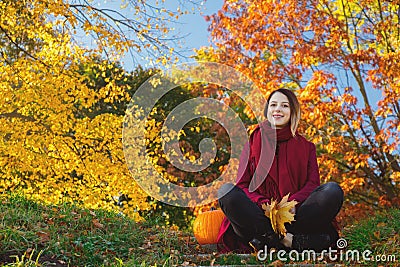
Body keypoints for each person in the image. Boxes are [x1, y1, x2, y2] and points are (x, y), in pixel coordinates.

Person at [217, 88, 344, 253]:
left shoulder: (307, 147)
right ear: (267, 110)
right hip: (259, 217)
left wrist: (293, 204)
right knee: (226, 192)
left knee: (332, 190)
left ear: (292, 112)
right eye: (273, 105)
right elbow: (242, 184)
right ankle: (282, 239)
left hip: (295, 217)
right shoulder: (252, 142)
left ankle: (278, 240)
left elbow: (312, 184)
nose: (277, 109)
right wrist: (264, 205)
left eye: (284, 106)